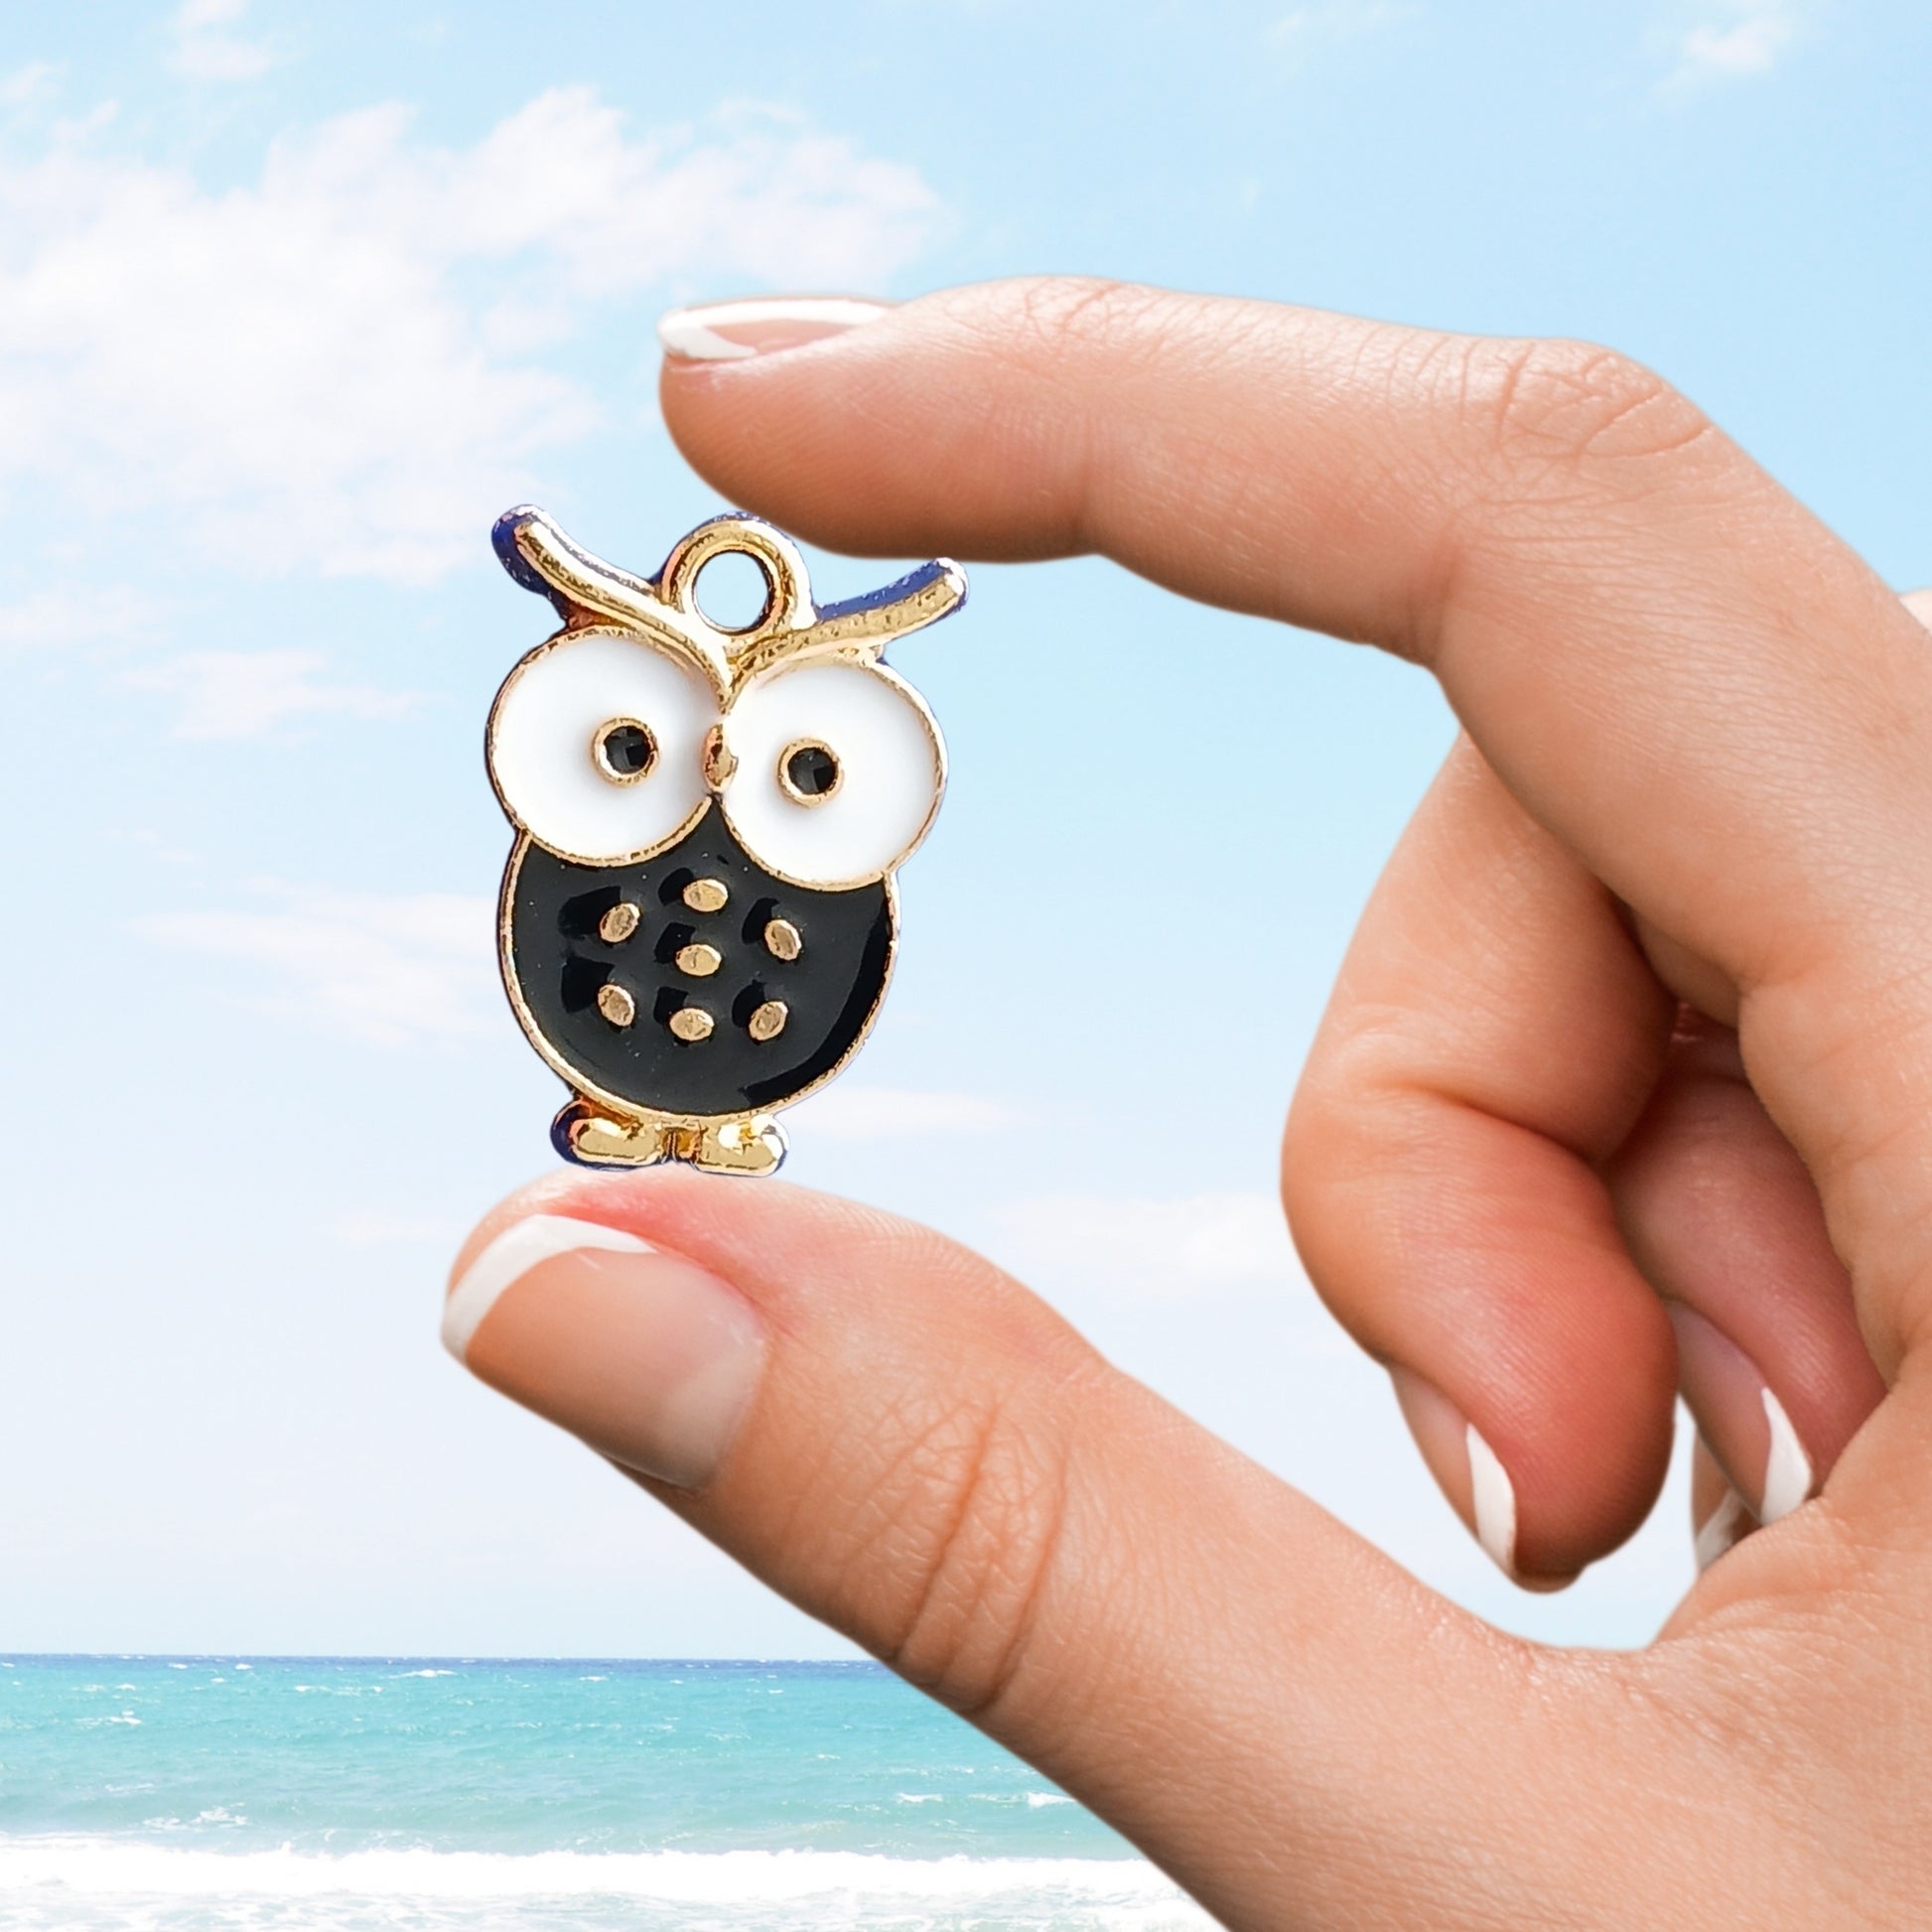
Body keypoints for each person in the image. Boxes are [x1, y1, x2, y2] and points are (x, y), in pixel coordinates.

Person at [440, 280, 1932, 1928]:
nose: (718, 795)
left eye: (802, 763)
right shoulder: (583, 893)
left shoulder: (823, 913)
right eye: (639, 744)